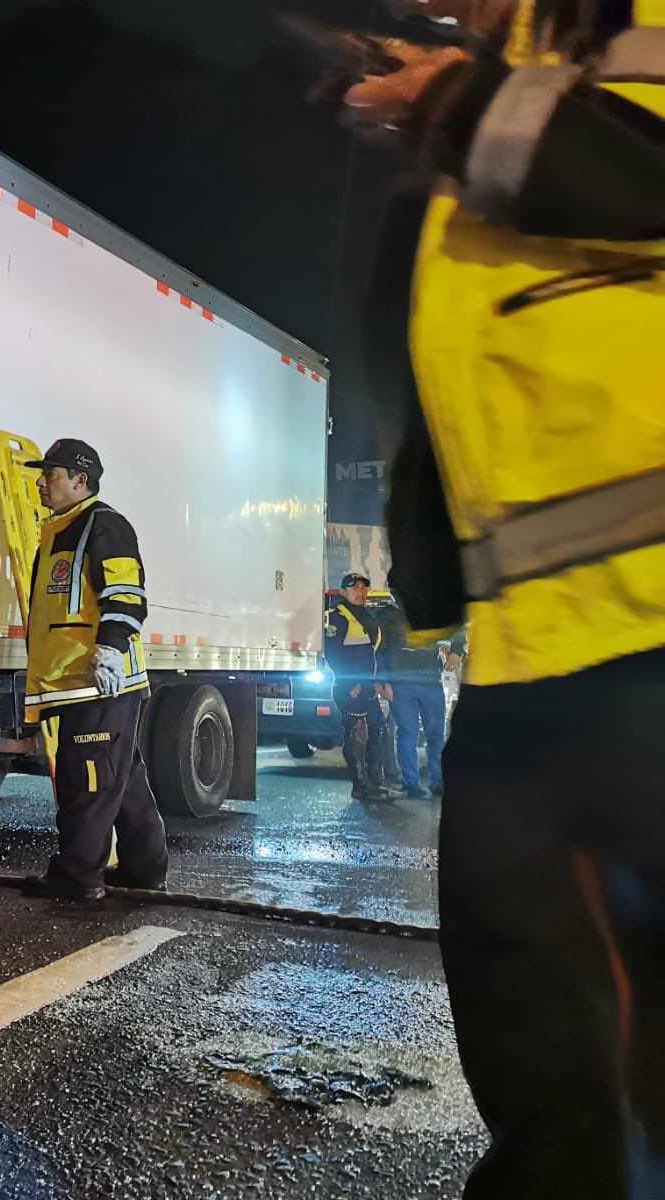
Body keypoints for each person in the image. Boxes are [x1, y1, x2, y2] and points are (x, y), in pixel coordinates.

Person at [342, 0, 665, 1193]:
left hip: (639, 636)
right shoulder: (512, 65)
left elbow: (628, 167)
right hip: (537, 650)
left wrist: (453, 102)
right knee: (553, 1079)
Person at [18, 439, 167, 902]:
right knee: (121, 781)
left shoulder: (104, 525)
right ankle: (144, 870)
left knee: (87, 781)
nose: (41, 481)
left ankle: (78, 877)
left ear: (80, 481)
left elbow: (126, 595)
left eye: (52, 474)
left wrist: (109, 650)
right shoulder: (60, 529)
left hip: (99, 680)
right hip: (82, 682)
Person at [324, 573, 398, 800]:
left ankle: (375, 782)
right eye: (354, 588)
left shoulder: (368, 617)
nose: (360, 591)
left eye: (363, 588)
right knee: (358, 734)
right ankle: (359, 786)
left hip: (369, 687)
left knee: (378, 729)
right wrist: (350, 684)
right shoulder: (336, 618)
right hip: (351, 687)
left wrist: (380, 682)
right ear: (343, 592)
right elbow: (333, 655)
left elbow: (374, 654)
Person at [385, 602, 463, 799]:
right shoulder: (386, 616)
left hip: (430, 681)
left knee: (436, 736)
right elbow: (379, 650)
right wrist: (383, 681)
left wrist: (456, 652)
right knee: (408, 733)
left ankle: (438, 783)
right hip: (401, 683)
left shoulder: (431, 611)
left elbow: (459, 629)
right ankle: (411, 783)